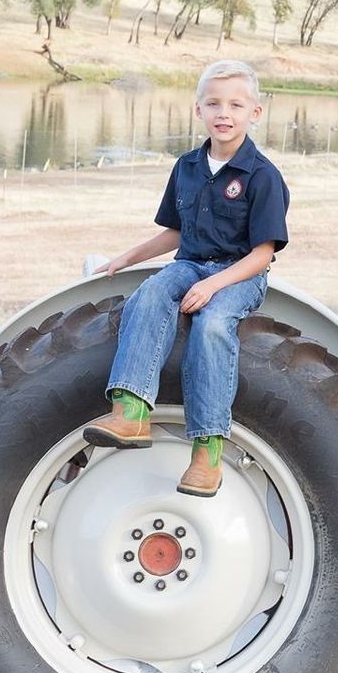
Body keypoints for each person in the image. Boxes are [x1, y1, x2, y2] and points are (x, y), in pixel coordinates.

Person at [84, 60, 289, 497]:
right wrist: (127, 256)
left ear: (255, 112)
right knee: (150, 292)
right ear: (198, 110)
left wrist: (213, 286)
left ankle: (207, 451)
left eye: (236, 104)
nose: (224, 113)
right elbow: (176, 233)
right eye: (213, 103)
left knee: (213, 326)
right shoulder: (188, 166)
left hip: (238, 274)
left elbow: (262, 254)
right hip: (191, 263)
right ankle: (132, 411)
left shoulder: (263, 176)